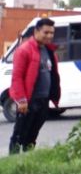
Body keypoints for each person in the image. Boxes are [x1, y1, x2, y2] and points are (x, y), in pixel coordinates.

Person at [8, 18, 61, 155]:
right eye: (46, 32)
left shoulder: (49, 51)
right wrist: (21, 100)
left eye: (52, 33)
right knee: (19, 136)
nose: (49, 36)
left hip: (43, 101)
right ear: (36, 31)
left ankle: (28, 163)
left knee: (32, 137)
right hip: (28, 101)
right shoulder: (24, 50)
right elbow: (17, 77)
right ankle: (11, 165)